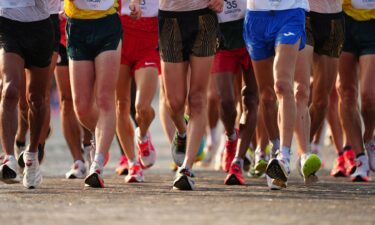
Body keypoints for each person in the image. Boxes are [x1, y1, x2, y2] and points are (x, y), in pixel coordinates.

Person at [244, 0, 321, 190]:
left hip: (290, 13)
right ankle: (275, 150)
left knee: (282, 85)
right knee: (267, 96)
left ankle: (284, 158)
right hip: (257, 15)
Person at [64, 0, 141, 188]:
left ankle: (97, 164)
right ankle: (99, 138)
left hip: (107, 24)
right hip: (77, 25)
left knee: (105, 98)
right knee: (81, 106)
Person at [159, 0, 223, 190]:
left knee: (197, 98)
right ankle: (182, 132)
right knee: (175, 102)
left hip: (204, 16)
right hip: (170, 18)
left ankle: (186, 168)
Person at [0, 0, 54, 188]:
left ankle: (31, 156)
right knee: (10, 91)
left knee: (36, 99)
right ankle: (9, 159)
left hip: (39, 27)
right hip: (7, 23)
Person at [208, 0, 259, 185]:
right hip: (222, 35)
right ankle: (230, 137)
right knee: (226, 102)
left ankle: (238, 161)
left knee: (251, 99)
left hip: (252, 28)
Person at [116, 0, 159, 183]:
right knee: (121, 104)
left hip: (149, 36)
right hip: (120, 31)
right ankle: (133, 163)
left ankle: (142, 136)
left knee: (142, 107)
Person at [336, 0, 375, 181]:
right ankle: (360, 158)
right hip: (344, 20)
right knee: (346, 92)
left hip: (371, 22)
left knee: (369, 97)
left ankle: (369, 138)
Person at [55, 4, 93, 179]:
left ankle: (89, 145)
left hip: (87, 25)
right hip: (60, 31)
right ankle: (77, 160)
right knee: (65, 98)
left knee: (86, 95)